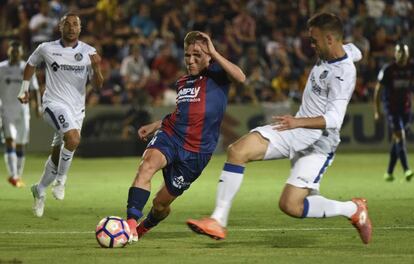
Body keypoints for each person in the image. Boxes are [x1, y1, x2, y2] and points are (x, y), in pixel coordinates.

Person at [187, 13, 372, 244]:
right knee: (237, 151)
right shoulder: (338, 51)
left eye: (314, 41)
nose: (311, 45)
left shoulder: (343, 74)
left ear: (330, 40)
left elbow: (334, 118)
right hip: (296, 129)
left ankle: (353, 209)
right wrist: (359, 51)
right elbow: (356, 50)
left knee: (290, 205)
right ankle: (218, 220)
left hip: (318, 141)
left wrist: (297, 122)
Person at [125, 31, 246, 243]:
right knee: (147, 165)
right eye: (187, 55)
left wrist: (214, 52)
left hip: (196, 153)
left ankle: (142, 228)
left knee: (161, 204)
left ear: (208, 56)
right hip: (171, 136)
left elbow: (241, 77)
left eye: (197, 55)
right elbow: (181, 113)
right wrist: (156, 125)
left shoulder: (218, 74)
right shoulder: (182, 82)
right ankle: (130, 224)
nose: (190, 60)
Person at [18, 13, 103, 217]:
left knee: (57, 157)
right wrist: (24, 89)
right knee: (73, 139)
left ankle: (39, 190)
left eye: (75, 24)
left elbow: (98, 86)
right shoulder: (46, 48)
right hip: (53, 104)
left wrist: (97, 67)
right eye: (68, 24)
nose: (72, 27)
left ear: (80, 29)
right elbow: (31, 64)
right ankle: (61, 182)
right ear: (60, 26)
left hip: (76, 111)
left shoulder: (88, 52)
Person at [0, 40, 41, 187]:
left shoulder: (26, 68)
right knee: (10, 140)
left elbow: (35, 89)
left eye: (18, 51)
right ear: (9, 51)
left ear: (22, 53)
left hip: (23, 111)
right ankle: (14, 176)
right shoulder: (1, 68)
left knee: (21, 145)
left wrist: (38, 107)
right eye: (13, 51)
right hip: (6, 111)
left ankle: (18, 175)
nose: (15, 53)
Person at [374, 43, 413, 182]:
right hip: (392, 109)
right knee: (400, 136)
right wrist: (377, 110)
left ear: (408, 54)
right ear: (395, 54)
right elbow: (378, 90)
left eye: (405, 52)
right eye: (399, 52)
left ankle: (389, 172)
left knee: (398, 140)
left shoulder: (411, 68)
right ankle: (407, 169)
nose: (402, 55)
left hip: (406, 109)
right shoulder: (388, 70)